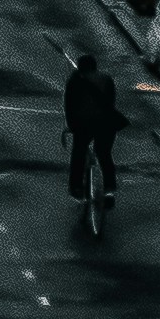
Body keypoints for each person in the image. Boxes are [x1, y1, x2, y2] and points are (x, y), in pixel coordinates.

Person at [62, 48, 122, 227]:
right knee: (104, 154)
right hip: (106, 124)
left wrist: (69, 126)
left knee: (79, 153)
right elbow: (111, 103)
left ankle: (76, 187)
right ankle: (110, 190)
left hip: (84, 124)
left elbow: (69, 106)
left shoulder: (75, 81)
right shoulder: (107, 79)